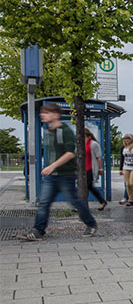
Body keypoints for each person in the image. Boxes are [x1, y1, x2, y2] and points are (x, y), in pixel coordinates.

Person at [19, 103, 97, 240]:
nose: (42, 115)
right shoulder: (49, 131)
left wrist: (52, 166)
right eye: (43, 112)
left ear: (56, 115)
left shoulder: (64, 131)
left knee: (74, 202)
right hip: (52, 176)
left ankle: (91, 224)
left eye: (46, 113)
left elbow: (70, 154)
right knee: (44, 203)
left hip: (65, 175)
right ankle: (38, 231)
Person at [85, 129, 108, 210]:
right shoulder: (81, 144)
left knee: (86, 186)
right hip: (83, 169)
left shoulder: (93, 144)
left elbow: (99, 157)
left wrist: (100, 169)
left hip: (91, 168)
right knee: (89, 187)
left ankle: (82, 205)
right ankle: (102, 201)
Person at [119, 134, 133, 206]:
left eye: (128, 139)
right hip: (126, 167)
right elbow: (122, 159)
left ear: (131, 139)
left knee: (132, 183)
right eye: (125, 139)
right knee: (127, 184)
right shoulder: (123, 148)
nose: (126, 140)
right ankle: (131, 199)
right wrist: (120, 169)